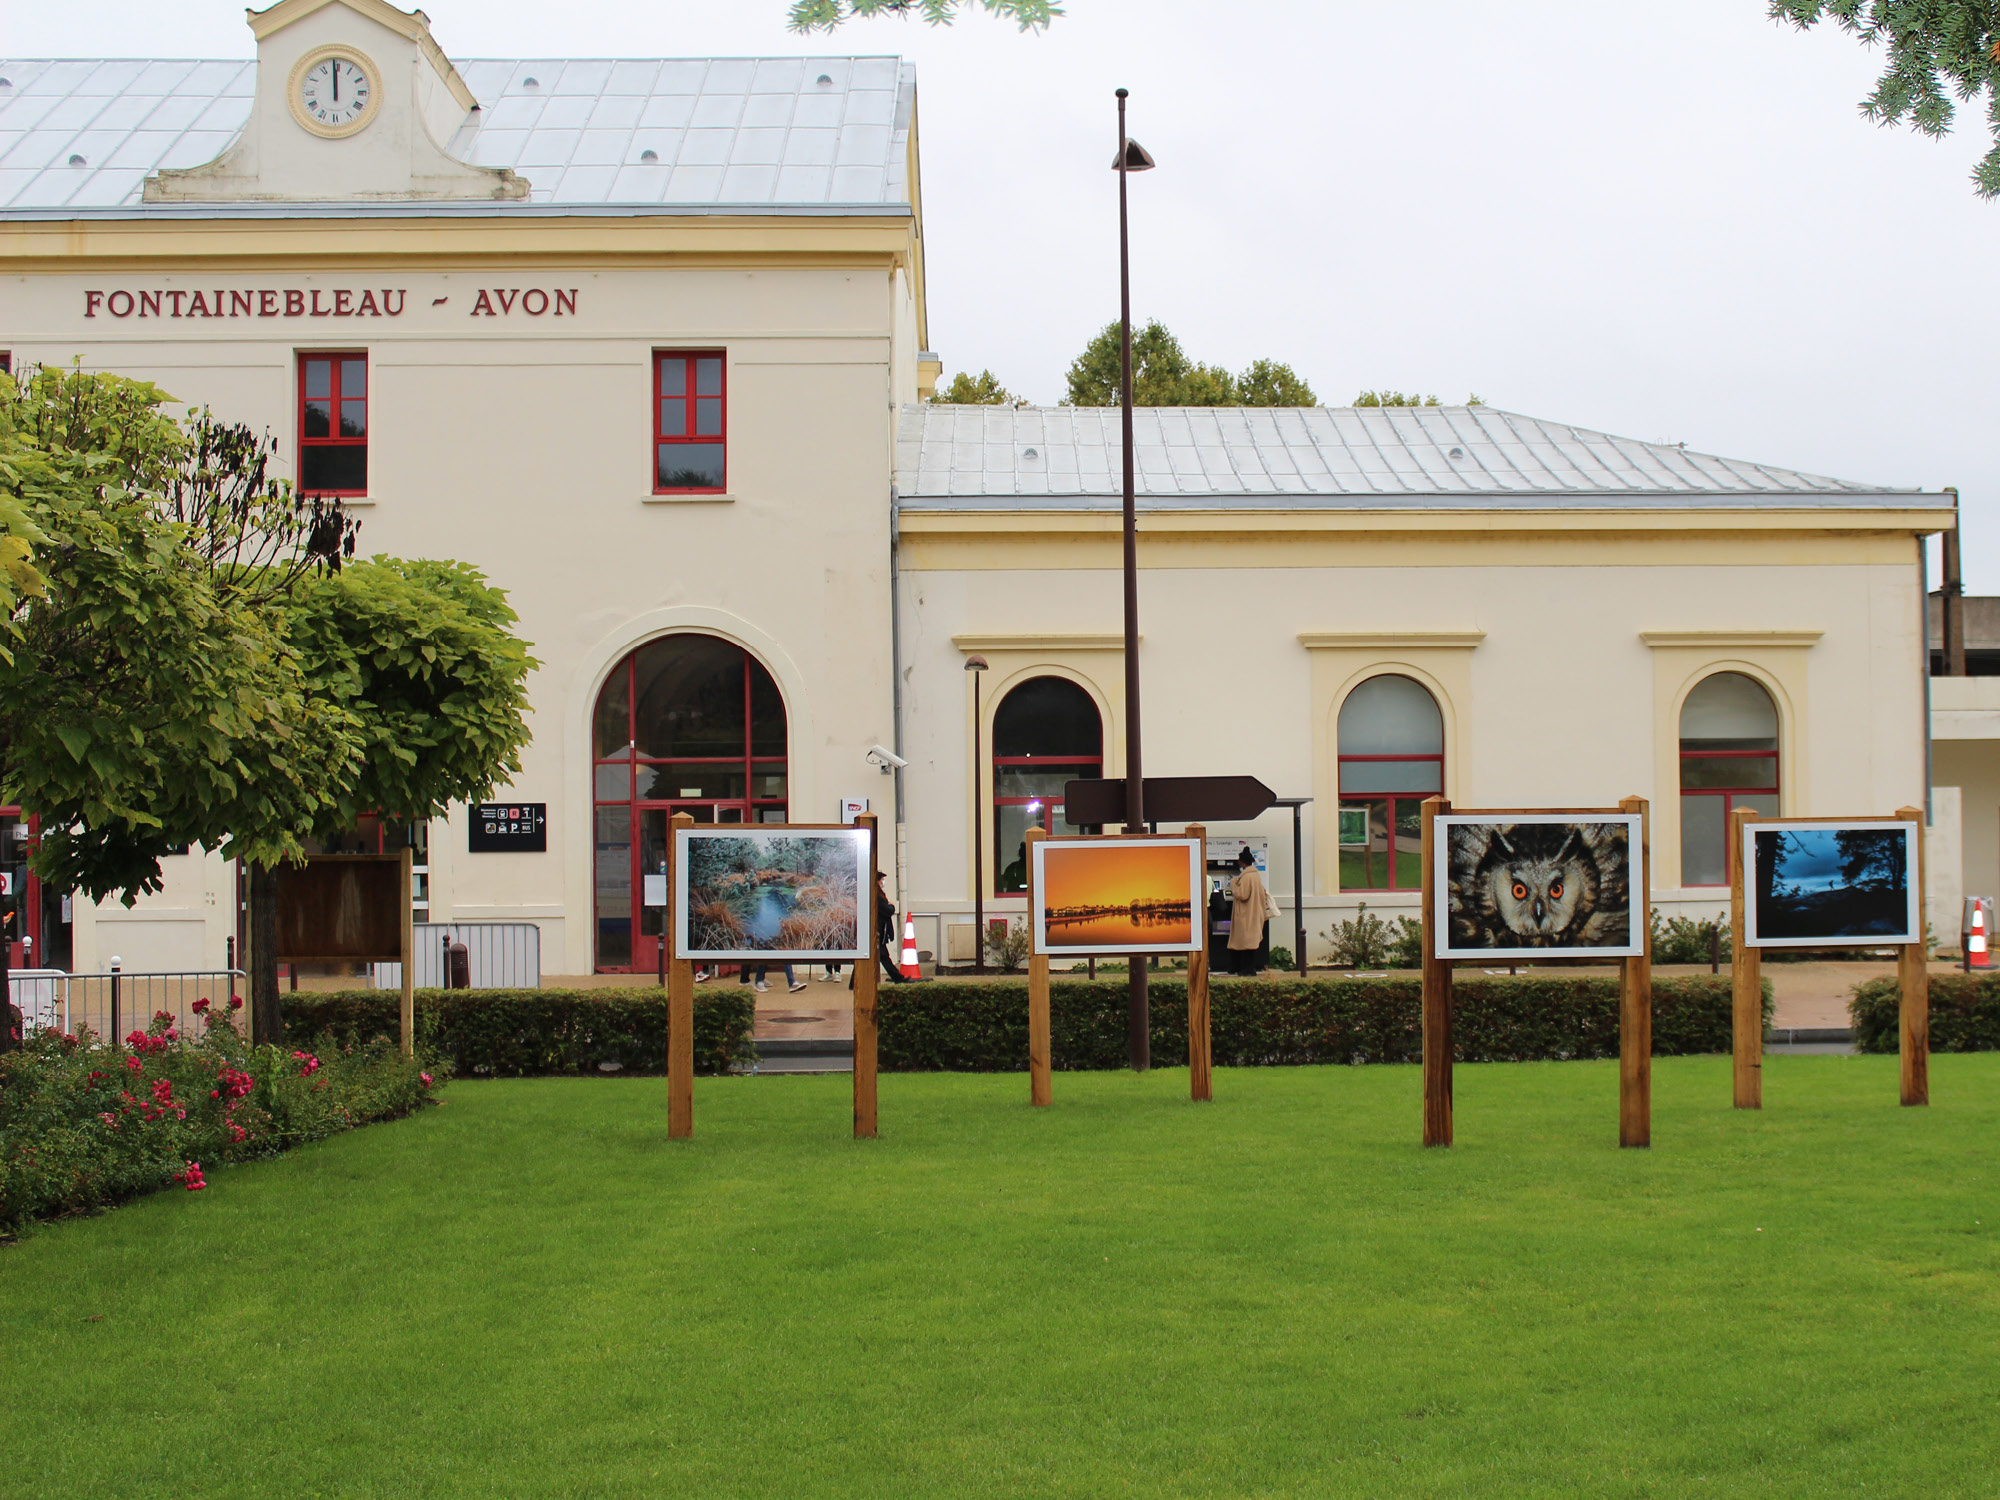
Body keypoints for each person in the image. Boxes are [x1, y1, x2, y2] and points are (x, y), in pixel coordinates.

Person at [1227, 847, 1277, 977]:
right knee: (1251, 943)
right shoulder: (1255, 876)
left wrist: (1233, 884)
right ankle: (1248, 968)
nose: (1238, 862)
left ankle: (1245, 969)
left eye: (1239, 860)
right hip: (1255, 914)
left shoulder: (1246, 877)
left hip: (1245, 915)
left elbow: (1242, 895)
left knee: (1244, 943)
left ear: (1243, 862)